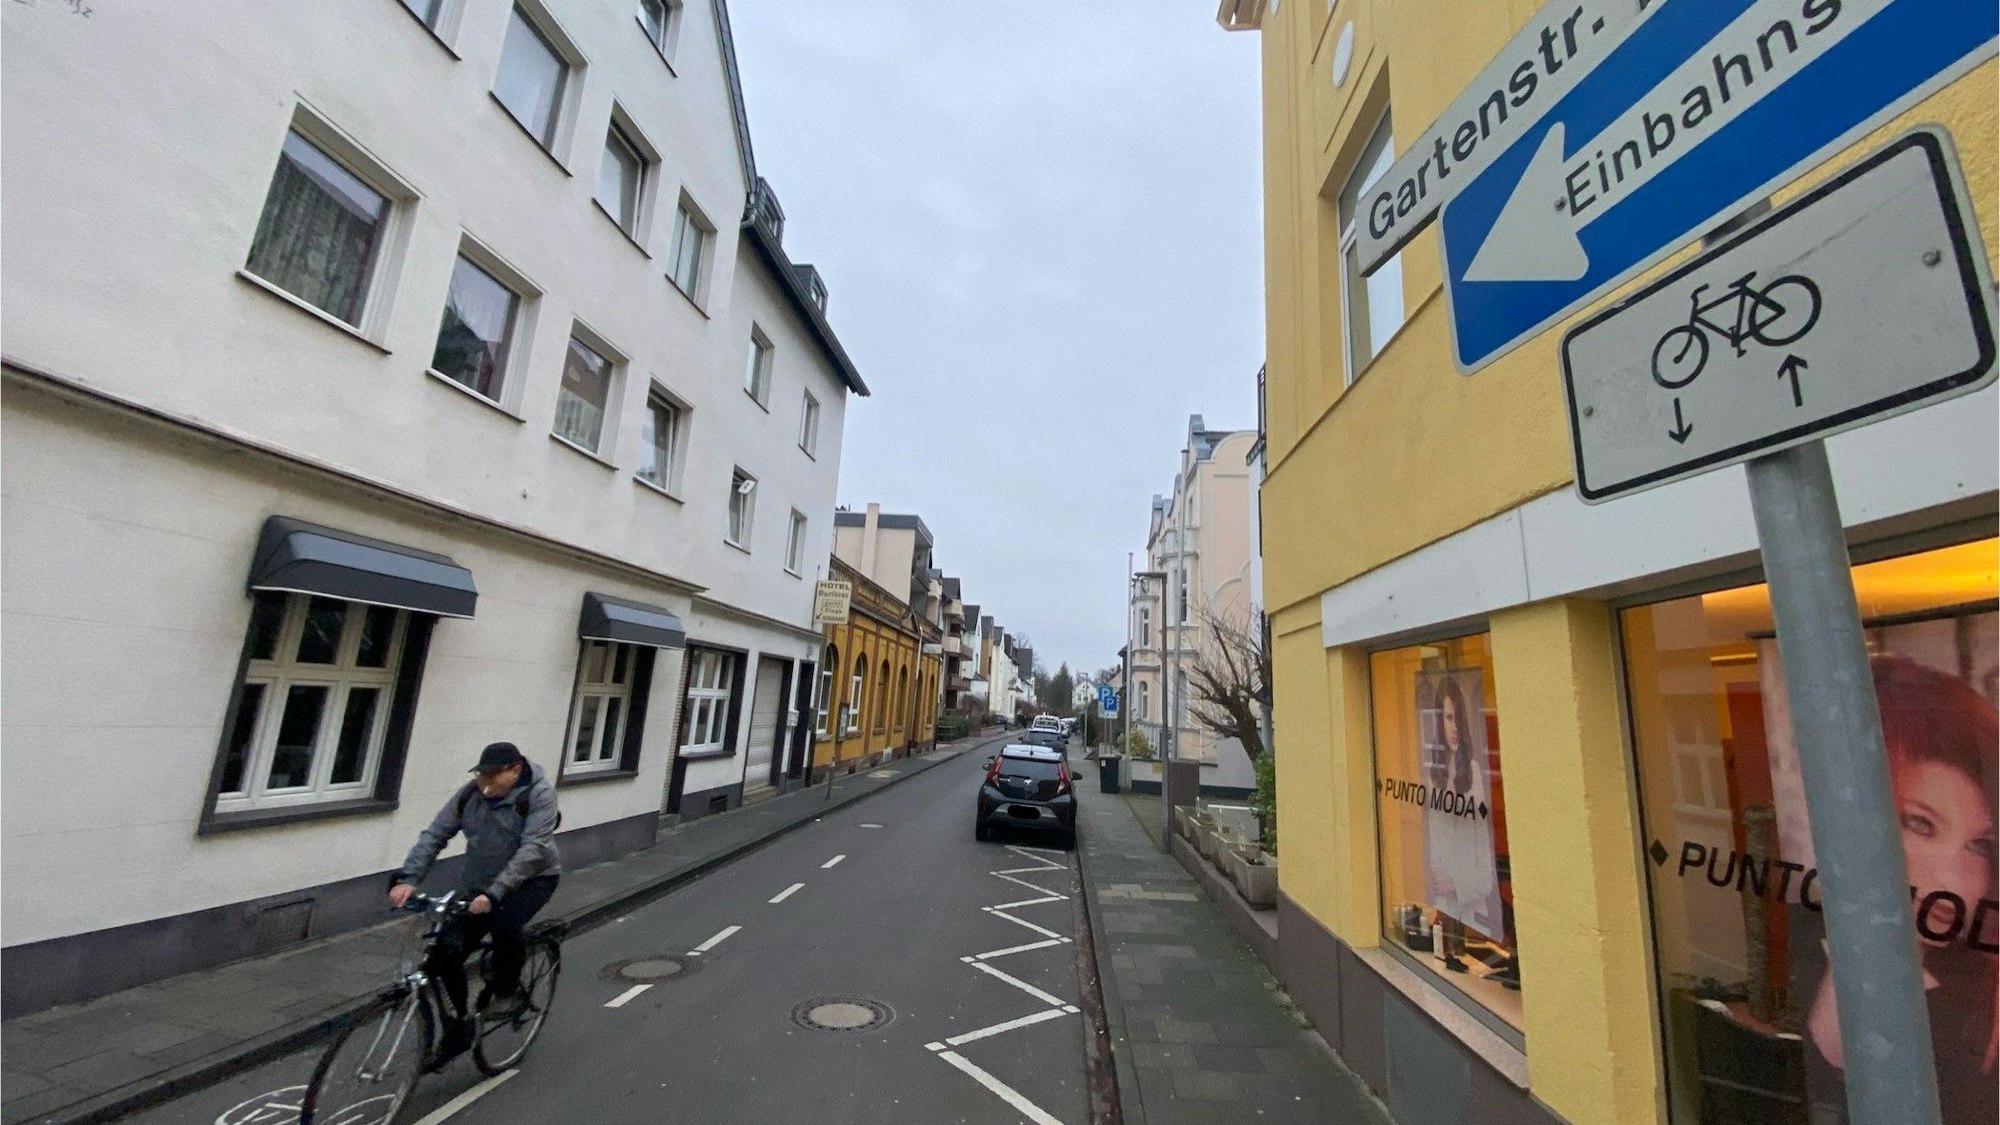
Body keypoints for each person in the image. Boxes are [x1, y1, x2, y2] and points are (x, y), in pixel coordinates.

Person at [1802, 656, 1997, 1122]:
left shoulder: (1971, 998)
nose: (1953, 881)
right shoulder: (1800, 954)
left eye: (1980, 845)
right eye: (1921, 824)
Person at [390, 741, 562, 1056]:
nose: (484, 784)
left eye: (492, 777)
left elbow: (534, 849)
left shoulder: (538, 795)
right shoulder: (471, 794)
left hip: (532, 879)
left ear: (515, 770)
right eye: (481, 776)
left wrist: (495, 893)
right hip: (479, 885)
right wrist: (408, 879)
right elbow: (436, 834)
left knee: (505, 923)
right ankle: (459, 1023)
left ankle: (507, 989)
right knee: (444, 952)